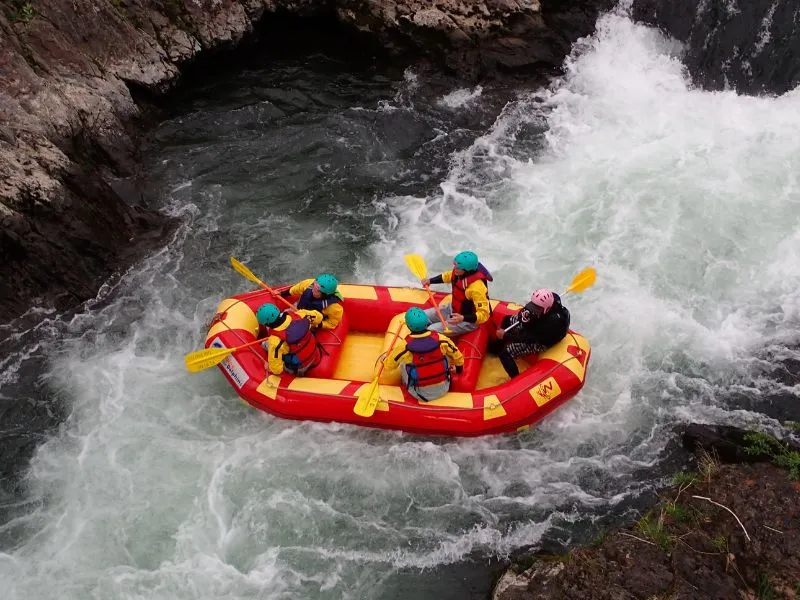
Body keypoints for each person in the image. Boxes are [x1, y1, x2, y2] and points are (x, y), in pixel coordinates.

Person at [383, 307, 465, 402]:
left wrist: (384, 359)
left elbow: (389, 366)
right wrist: (458, 370)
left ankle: (407, 385)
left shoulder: (405, 346)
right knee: (445, 353)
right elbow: (458, 355)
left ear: (409, 327)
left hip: (420, 394)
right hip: (445, 388)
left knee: (403, 363)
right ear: (427, 322)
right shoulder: (441, 339)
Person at [489, 288, 570, 379]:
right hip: (536, 326)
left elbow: (526, 338)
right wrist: (522, 317)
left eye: (536, 308)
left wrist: (505, 335)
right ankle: (497, 347)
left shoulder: (550, 323)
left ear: (546, 309)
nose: (533, 309)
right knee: (507, 319)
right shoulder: (552, 299)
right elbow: (526, 314)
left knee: (505, 353)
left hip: (540, 340)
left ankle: (516, 378)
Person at [421, 250, 493, 336]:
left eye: (457, 267)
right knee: (422, 317)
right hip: (452, 309)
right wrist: (430, 281)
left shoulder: (477, 288)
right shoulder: (458, 273)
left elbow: (484, 314)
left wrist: (462, 318)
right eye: (455, 266)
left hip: (466, 321)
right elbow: (447, 276)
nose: (455, 269)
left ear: (467, 270)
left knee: (430, 330)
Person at [256, 303, 323, 376]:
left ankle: (294, 373)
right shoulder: (300, 315)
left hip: (303, 364)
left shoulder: (275, 341)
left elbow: (277, 370)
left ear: (267, 324)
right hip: (314, 350)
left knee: (266, 345)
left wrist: (270, 367)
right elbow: (319, 317)